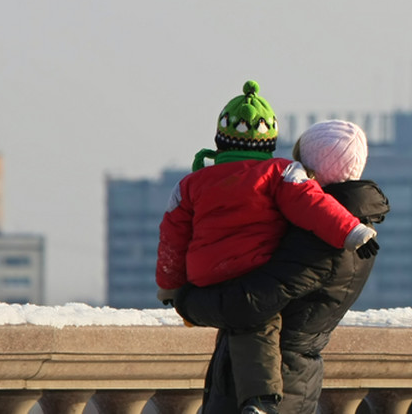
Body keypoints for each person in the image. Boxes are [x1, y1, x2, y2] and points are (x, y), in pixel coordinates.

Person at [156, 82, 378, 414]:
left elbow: (248, 304)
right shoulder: (322, 216)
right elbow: (315, 208)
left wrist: (177, 291)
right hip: (290, 373)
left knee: (260, 322)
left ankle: (260, 401)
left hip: (280, 380)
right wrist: (350, 230)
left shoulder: (194, 183)